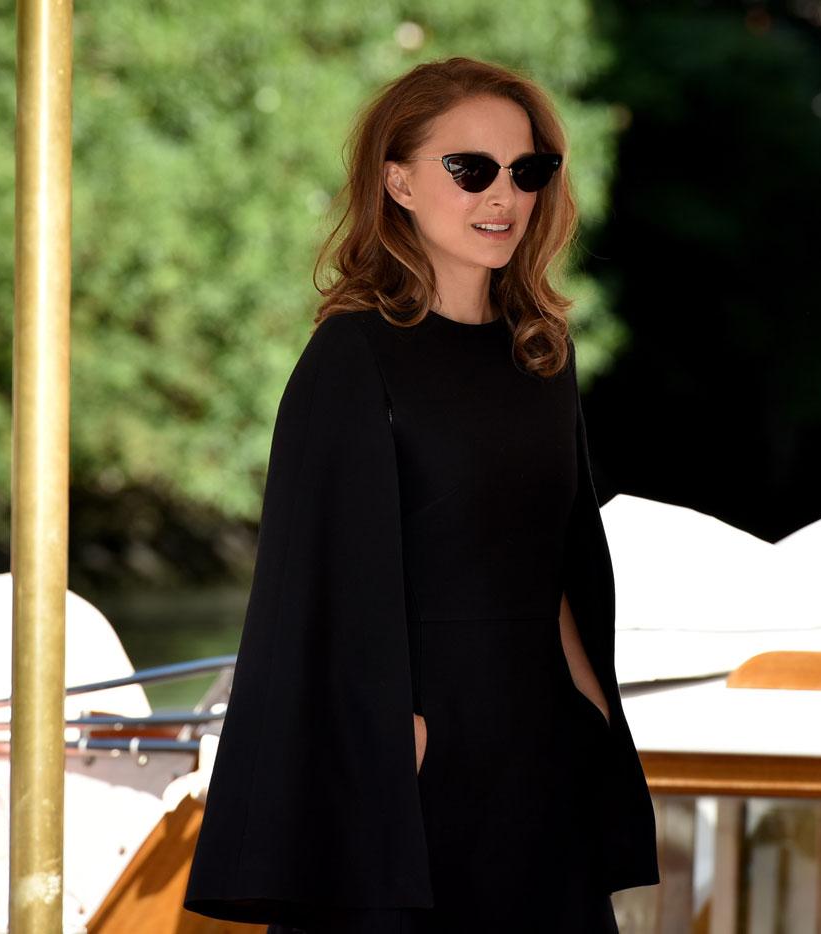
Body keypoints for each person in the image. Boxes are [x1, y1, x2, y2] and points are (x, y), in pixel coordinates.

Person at [180, 56, 661, 933]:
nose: (503, 196)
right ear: (397, 181)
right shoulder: (351, 357)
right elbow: (312, 584)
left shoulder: (541, 354)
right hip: (406, 762)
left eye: (528, 171)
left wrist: (591, 718)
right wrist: (389, 741)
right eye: (470, 169)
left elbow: (555, 563)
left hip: (540, 746)